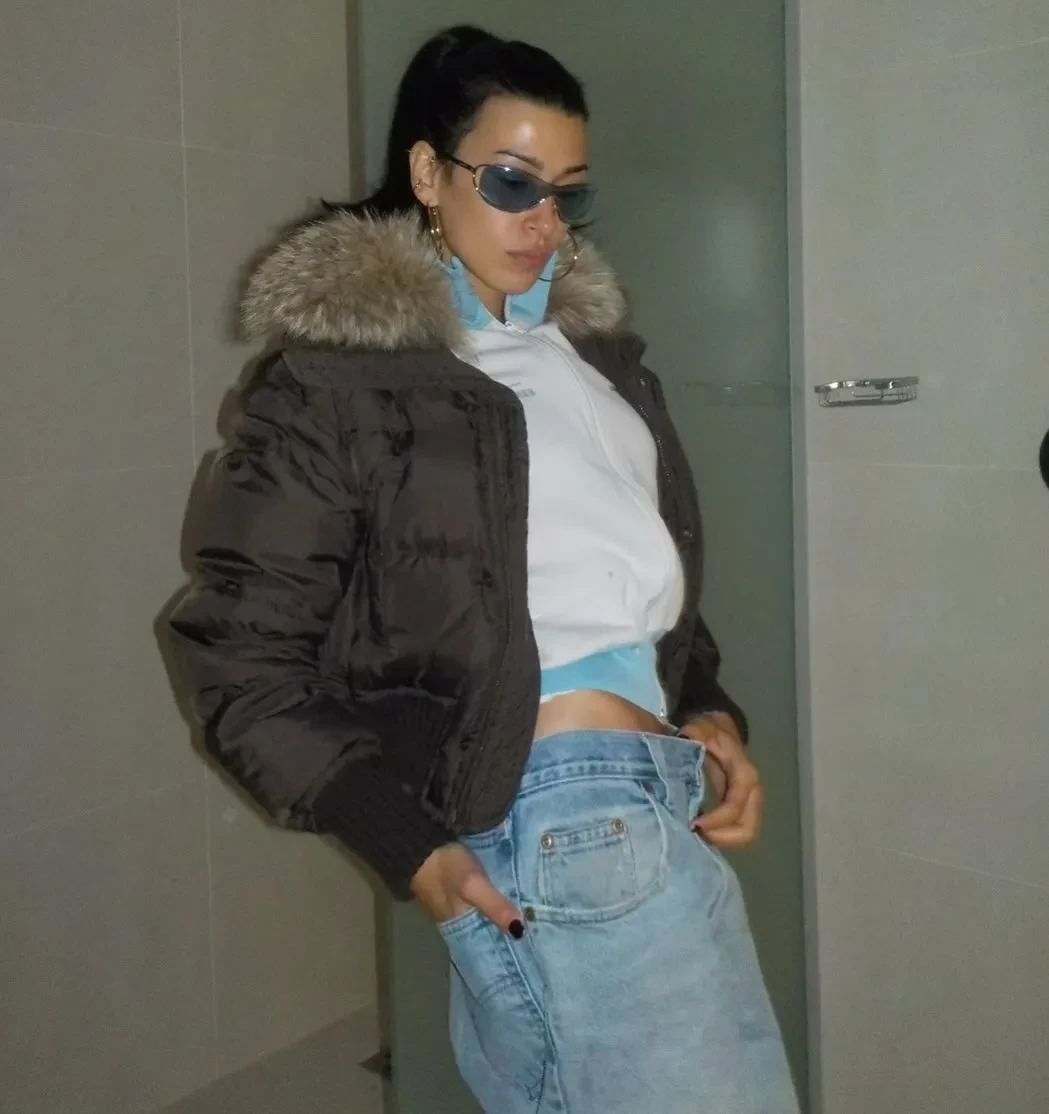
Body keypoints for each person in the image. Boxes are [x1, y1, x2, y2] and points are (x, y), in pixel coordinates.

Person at [167, 24, 798, 1114]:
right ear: (427, 171)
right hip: (561, 815)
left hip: (644, 794)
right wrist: (404, 842)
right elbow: (238, 657)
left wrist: (705, 710)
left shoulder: (588, 361)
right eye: (511, 183)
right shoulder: (340, 382)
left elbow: (626, 586)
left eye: (568, 193)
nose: (543, 221)